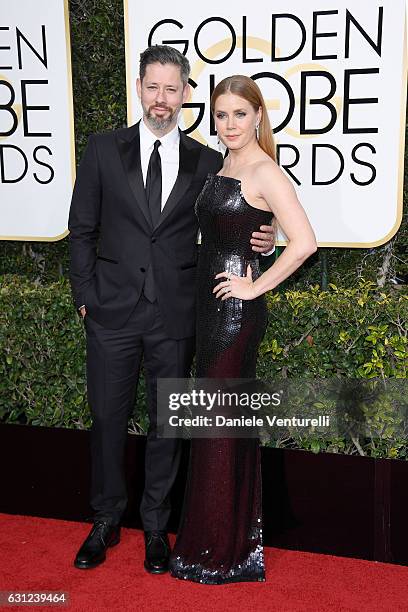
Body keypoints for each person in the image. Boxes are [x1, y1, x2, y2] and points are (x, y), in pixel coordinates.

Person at [68, 47, 275, 573]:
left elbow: (237, 216)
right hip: (111, 312)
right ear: (139, 87)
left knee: (169, 424)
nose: (162, 99)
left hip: (178, 314)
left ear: (185, 94)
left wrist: (266, 238)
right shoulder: (101, 149)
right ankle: (105, 520)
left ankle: (156, 528)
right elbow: (82, 231)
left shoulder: (208, 159)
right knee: (107, 418)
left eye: (172, 89)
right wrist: (86, 298)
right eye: (153, 87)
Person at [169, 75, 317, 584]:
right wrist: (263, 239)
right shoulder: (224, 164)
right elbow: (241, 230)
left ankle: (220, 550)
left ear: (258, 116)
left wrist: (255, 288)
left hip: (234, 315)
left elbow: (305, 243)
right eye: (221, 115)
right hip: (206, 310)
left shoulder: (264, 170)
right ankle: (210, 540)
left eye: (239, 114)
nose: (229, 124)